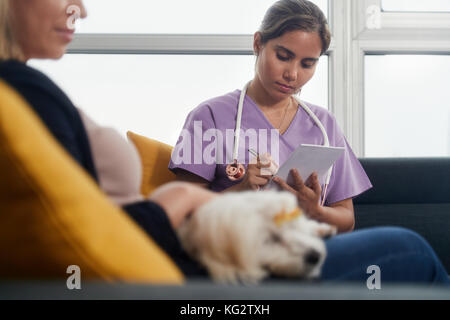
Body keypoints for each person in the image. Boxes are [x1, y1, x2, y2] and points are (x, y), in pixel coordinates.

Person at [1, 0, 448, 286]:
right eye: (283, 56)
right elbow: (183, 214)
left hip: (304, 242)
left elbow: (345, 219)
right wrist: (240, 190)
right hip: (231, 254)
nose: (294, 73)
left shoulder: (324, 124)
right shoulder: (211, 116)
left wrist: (314, 210)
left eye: (308, 63)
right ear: (258, 45)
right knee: (410, 249)